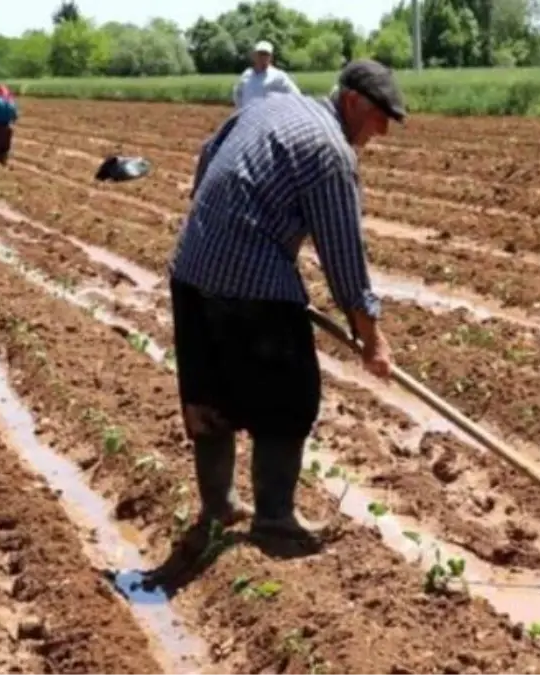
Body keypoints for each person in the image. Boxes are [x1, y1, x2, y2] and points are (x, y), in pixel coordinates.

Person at [168, 59, 406, 547]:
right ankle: (275, 521)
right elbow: (344, 255)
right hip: (250, 280)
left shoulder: (268, 107)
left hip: (192, 266)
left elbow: (206, 155)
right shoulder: (330, 151)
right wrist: (373, 337)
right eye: (380, 115)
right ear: (353, 101)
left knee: (208, 393)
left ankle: (219, 507)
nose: (382, 130)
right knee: (289, 398)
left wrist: (216, 227)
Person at [231, 40, 300, 110]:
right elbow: (237, 94)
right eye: (260, 54)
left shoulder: (278, 76)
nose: (263, 57)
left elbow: (296, 95)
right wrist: (240, 111)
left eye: (266, 54)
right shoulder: (246, 74)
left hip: (268, 118)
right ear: (254, 55)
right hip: (248, 117)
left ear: (271, 57)